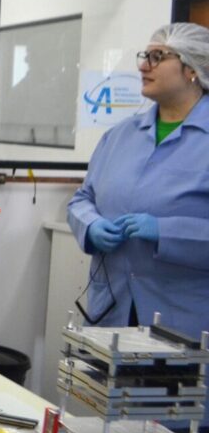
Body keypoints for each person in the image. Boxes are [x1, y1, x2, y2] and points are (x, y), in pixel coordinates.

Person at [68, 23, 209, 340]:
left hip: (185, 323)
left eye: (158, 57)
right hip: (112, 311)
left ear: (192, 69)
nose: (144, 66)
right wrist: (90, 225)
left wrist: (165, 232)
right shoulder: (120, 136)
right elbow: (82, 199)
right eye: (144, 56)